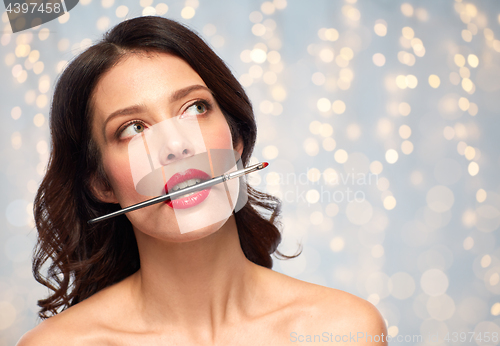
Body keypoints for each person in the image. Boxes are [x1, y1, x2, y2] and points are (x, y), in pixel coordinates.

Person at [17, 16, 387, 345]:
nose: (176, 145)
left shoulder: (345, 330)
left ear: (236, 140)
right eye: (133, 128)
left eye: (195, 108)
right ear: (102, 183)